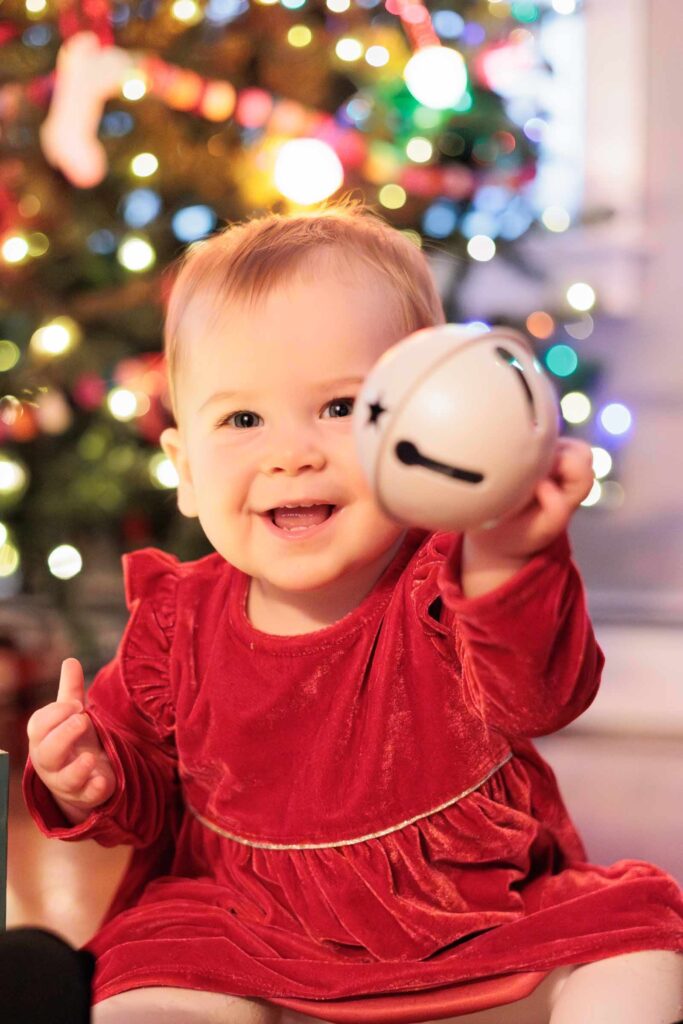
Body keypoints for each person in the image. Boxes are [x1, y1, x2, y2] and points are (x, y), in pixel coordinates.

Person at [24, 201, 683, 1024]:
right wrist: (92, 775)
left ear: (422, 430)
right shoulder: (175, 621)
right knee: (152, 976)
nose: (290, 451)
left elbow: (539, 696)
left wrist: (512, 558)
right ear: (184, 469)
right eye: (241, 419)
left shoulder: (451, 580)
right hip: (248, 928)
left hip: (472, 922)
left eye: (341, 409)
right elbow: (147, 791)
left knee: (637, 943)